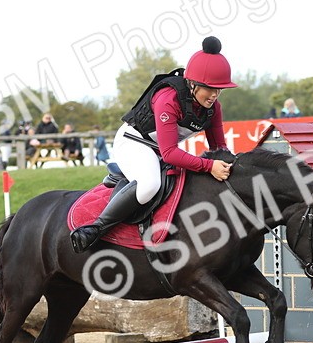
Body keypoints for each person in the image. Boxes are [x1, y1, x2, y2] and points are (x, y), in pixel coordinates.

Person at [70, 36, 236, 252]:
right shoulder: (169, 99)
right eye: (209, 88)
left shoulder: (213, 108)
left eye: (219, 89)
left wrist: (234, 165)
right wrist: (208, 166)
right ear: (193, 84)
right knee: (150, 185)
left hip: (160, 150)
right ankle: (95, 229)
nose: (214, 94)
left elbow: (219, 150)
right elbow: (169, 154)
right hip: (133, 143)